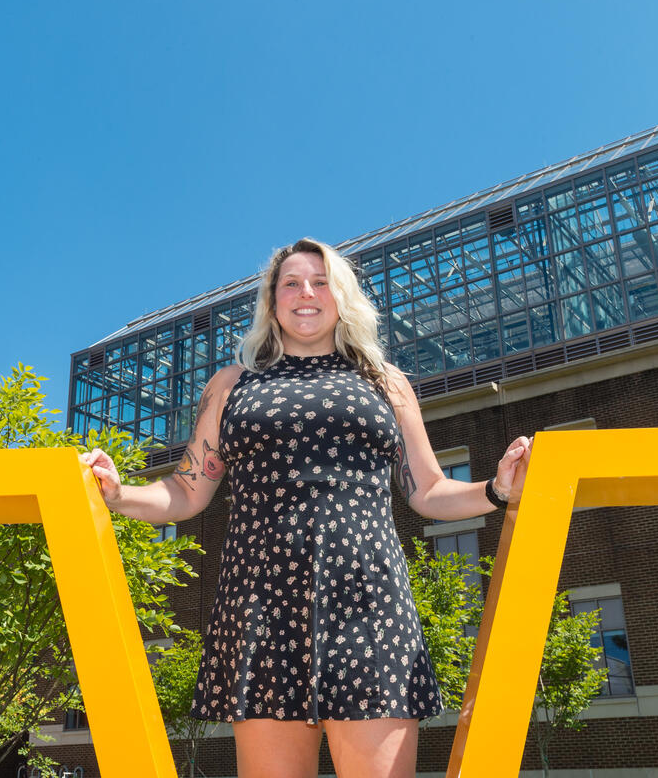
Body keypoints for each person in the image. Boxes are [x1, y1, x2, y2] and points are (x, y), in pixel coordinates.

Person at [81, 238, 532, 778]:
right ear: (272, 303)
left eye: (320, 282)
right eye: (290, 283)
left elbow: (427, 490)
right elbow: (186, 490)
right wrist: (117, 492)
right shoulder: (231, 386)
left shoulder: (385, 383)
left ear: (342, 297)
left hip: (369, 605)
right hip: (261, 607)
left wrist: (496, 490)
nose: (306, 293)